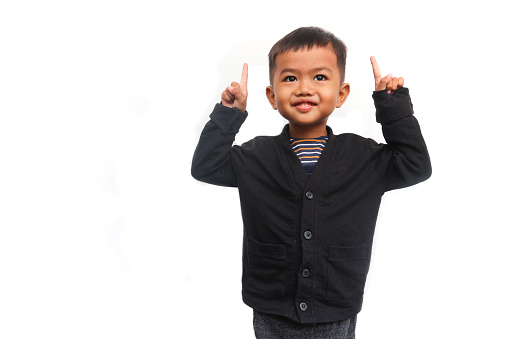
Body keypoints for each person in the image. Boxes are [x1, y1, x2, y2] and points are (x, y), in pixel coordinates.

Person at [191, 26, 431, 339]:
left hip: (334, 308)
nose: (304, 88)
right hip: (271, 309)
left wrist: (394, 110)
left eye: (320, 77)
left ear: (341, 94)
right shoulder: (255, 156)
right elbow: (206, 166)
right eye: (290, 78)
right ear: (272, 97)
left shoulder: (364, 157)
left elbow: (415, 165)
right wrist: (228, 114)